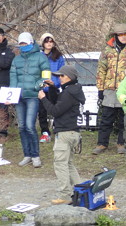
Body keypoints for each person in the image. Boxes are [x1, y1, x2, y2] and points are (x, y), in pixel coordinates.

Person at [38, 65, 85, 204]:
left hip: (65, 133)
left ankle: (65, 195)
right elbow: (58, 101)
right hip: (72, 132)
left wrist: (42, 98)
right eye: (58, 76)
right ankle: (81, 191)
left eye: (62, 76)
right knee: (68, 163)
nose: (59, 78)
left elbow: (55, 110)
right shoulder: (72, 90)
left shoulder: (68, 92)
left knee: (60, 164)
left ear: (69, 77)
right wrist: (52, 88)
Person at [92, 23, 126, 155]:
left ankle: (122, 143)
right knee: (106, 118)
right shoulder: (107, 50)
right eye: (121, 34)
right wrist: (100, 88)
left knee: (124, 119)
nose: (124, 37)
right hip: (109, 89)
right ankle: (102, 144)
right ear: (116, 36)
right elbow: (101, 69)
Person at [9, 32, 50, 168]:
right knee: (21, 127)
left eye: (25, 43)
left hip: (33, 96)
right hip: (19, 97)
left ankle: (35, 155)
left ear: (31, 43)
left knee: (30, 126)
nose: (23, 46)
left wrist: (36, 86)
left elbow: (45, 75)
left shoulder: (40, 57)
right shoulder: (16, 60)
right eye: (21, 44)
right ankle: (27, 155)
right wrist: (11, 94)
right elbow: (13, 77)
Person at [38, 33, 65, 143]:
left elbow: (62, 72)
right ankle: (45, 132)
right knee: (42, 111)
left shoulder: (58, 56)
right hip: (41, 88)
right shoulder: (38, 56)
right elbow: (35, 72)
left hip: (54, 87)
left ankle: (57, 130)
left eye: (51, 41)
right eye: (46, 41)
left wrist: (55, 84)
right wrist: (40, 84)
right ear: (43, 43)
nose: (49, 43)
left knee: (56, 110)